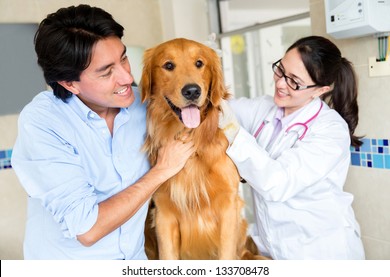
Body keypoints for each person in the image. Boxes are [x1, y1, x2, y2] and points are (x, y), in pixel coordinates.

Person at [11, 4, 195, 259]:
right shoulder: (43, 122)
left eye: (123, 58)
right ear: (69, 83)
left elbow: (211, 118)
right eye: (107, 72)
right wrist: (161, 171)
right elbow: (87, 228)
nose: (126, 78)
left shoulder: (145, 105)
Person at [219, 35, 365, 259]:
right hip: (278, 248)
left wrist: (232, 130)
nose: (280, 83)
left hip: (323, 252)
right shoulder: (264, 108)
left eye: (294, 82)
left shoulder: (330, 130)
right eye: (280, 70)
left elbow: (277, 184)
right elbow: (218, 110)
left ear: (319, 90)